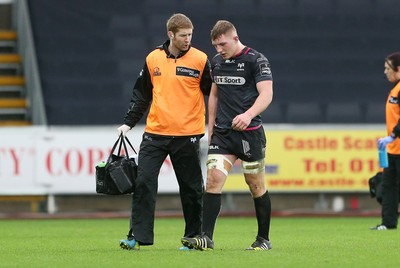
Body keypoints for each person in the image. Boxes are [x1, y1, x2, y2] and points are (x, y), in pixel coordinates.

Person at [117, 13, 212, 250]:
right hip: (155, 134)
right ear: (171, 34)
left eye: (190, 35)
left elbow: (214, 93)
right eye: (183, 36)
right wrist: (128, 123)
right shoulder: (153, 58)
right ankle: (136, 236)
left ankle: (193, 238)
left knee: (191, 188)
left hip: (187, 135)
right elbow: (141, 94)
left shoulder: (200, 59)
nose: (188, 39)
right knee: (144, 182)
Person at [181, 20, 273, 250]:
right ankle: (206, 237)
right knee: (213, 180)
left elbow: (267, 94)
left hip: (249, 134)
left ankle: (263, 239)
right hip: (223, 134)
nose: (219, 50)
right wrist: (210, 125)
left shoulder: (256, 60)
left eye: (222, 44)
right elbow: (214, 94)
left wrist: (248, 115)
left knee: (255, 185)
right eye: (215, 46)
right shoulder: (217, 62)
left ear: (235, 37)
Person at [372, 52, 400, 231]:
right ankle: (388, 223)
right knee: (387, 186)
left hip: (396, 144)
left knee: (389, 186)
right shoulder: (395, 90)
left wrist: (393, 135)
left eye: (388, 68)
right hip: (393, 149)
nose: (385, 72)